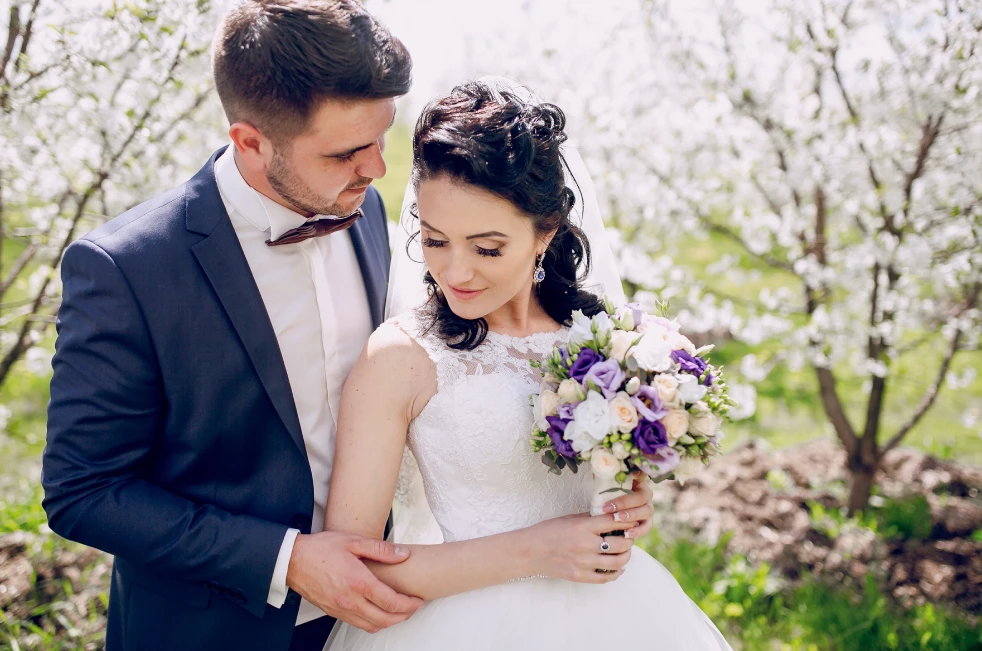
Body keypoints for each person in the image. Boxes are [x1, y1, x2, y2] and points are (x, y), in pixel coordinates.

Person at [42, 2, 420, 650]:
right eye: (346, 153)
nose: (378, 169)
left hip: (372, 624)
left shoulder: (365, 208)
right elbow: (83, 490)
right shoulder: (126, 270)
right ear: (250, 141)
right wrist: (288, 559)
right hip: (210, 630)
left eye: (381, 137)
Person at [322, 79, 733, 650]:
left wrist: (627, 502)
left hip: (618, 618)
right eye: (435, 240)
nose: (455, 272)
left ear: (546, 233)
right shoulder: (400, 358)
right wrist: (537, 551)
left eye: (487, 248)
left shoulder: (604, 341)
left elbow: (600, 484)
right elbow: (353, 571)